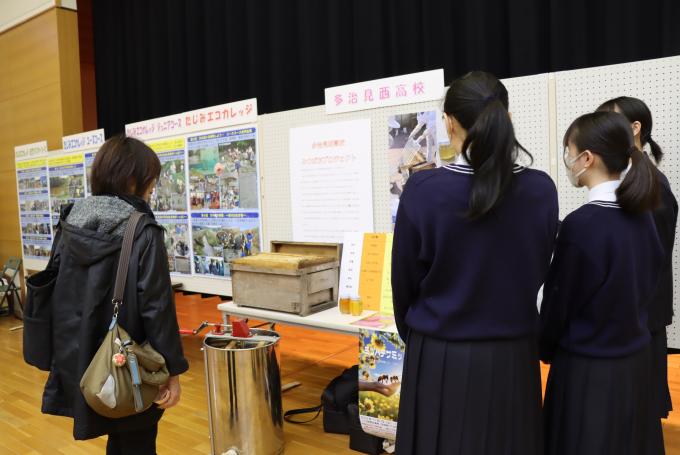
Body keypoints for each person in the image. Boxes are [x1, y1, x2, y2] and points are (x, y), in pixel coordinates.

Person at [392, 71, 559, 455]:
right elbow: (541, 265)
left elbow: (404, 283)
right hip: (514, 356)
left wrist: (419, 335)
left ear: (449, 122)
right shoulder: (540, 189)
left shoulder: (422, 190)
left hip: (439, 354)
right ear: (507, 118)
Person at [41, 136, 189, 454]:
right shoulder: (143, 231)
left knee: (119, 436)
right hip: (130, 363)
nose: (154, 186)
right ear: (133, 179)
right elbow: (157, 309)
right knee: (137, 439)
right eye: (152, 177)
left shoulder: (71, 223)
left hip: (81, 358)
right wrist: (172, 372)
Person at [540, 111, 664, 454]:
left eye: (569, 151)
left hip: (587, 371)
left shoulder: (582, 225)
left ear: (587, 158)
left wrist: (544, 346)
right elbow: (651, 281)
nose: (568, 160)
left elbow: (559, 302)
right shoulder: (643, 216)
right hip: (635, 365)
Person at [597, 96, 678, 420]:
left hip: (641, 313)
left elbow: (651, 256)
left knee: (639, 411)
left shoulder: (651, 183)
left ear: (635, 128)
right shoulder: (630, 178)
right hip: (632, 312)